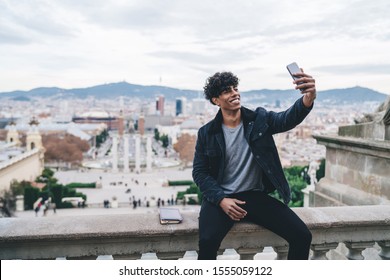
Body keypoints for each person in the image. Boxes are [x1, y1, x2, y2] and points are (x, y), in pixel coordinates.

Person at [192, 70, 316, 260]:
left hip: (254, 196)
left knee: (302, 236)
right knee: (207, 242)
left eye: (235, 88)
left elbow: (286, 119)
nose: (234, 93)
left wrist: (308, 98)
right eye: (227, 91)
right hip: (221, 197)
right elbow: (200, 173)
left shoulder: (259, 120)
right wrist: (221, 200)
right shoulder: (206, 133)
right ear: (216, 100)